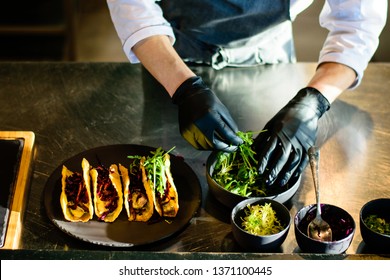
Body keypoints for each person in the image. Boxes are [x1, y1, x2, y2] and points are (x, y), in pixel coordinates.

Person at [106, 0, 387, 186]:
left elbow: (358, 22)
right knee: (172, 184)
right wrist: (182, 87)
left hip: (269, 60)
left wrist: (315, 100)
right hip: (169, 54)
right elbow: (132, 4)